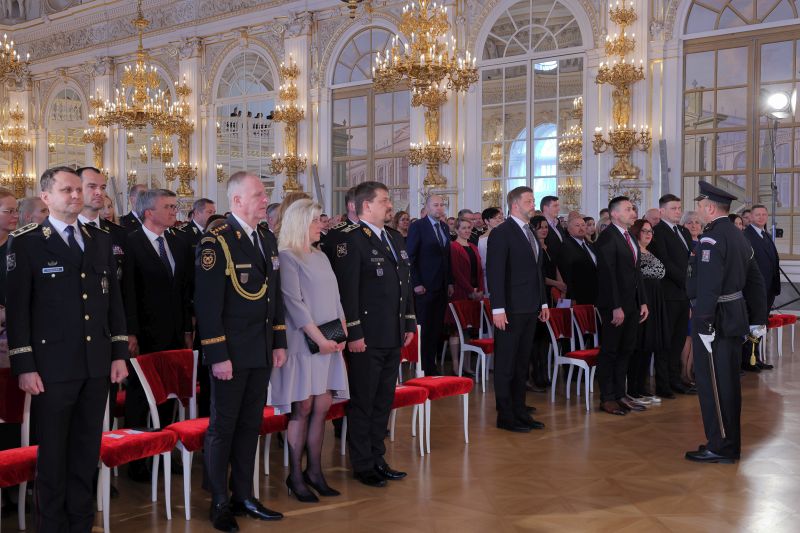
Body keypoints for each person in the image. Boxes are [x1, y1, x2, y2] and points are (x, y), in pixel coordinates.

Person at [7, 166, 129, 532]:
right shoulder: (27, 242)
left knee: (86, 452)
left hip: (95, 364)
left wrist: (119, 353)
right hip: (51, 368)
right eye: (67, 190)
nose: (76, 195)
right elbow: (18, 311)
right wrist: (24, 365)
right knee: (53, 456)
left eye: (79, 189)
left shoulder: (99, 239)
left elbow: (113, 302)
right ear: (46, 197)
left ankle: (81, 523)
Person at [194, 171, 287, 530]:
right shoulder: (216, 241)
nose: (265, 200)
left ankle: (244, 495)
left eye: (265, 195)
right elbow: (207, 306)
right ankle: (219, 500)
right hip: (230, 353)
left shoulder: (265, 237)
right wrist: (218, 356)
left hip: (260, 349)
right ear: (237, 201)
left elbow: (274, 296)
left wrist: (278, 341)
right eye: (259, 195)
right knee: (224, 427)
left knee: (251, 424)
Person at [332, 181, 415, 487]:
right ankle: (363, 463)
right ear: (366, 206)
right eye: (384, 200)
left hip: (392, 332)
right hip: (366, 335)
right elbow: (347, 291)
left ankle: (378, 457)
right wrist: (354, 333)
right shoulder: (351, 239)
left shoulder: (394, 237)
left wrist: (408, 322)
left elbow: (405, 284)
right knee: (364, 401)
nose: (390, 205)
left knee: (383, 400)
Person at [270, 199, 349, 502]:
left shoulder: (321, 255)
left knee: (322, 405)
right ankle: (295, 475)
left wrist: (342, 334)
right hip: (303, 342)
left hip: (329, 340)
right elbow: (295, 304)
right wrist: (320, 340)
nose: (321, 224)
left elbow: (337, 298)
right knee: (302, 407)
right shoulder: (287, 256)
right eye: (316, 220)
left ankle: (315, 471)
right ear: (300, 223)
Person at [685, 181, 767, 464]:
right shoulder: (738, 235)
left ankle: (721, 446)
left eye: (700, 205)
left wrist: (705, 323)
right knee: (728, 383)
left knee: (714, 386)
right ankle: (727, 442)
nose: (698, 210)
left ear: (710, 208)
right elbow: (756, 280)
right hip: (734, 316)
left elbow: (709, 285)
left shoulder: (712, 238)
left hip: (716, 320)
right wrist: (758, 318)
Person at [123, 189, 194, 474]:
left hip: (174, 332)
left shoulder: (178, 241)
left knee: (167, 393)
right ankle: (137, 459)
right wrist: (130, 332)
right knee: (141, 396)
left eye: (175, 206)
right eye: (168, 207)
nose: (174, 211)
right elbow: (127, 291)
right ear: (149, 212)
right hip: (144, 333)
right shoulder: (130, 242)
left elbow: (184, 290)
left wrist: (187, 328)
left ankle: (162, 451)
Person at [487, 186, 549, 433]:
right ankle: (505, 415)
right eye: (529, 201)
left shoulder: (530, 230)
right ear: (515, 205)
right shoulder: (501, 232)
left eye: (533, 200)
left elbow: (537, 271)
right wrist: (497, 309)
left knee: (522, 363)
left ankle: (520, 410)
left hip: (530, 306)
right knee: (506, 363)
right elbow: (495, 273)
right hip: (510, 309)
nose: (533, 204)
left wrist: (543, 302)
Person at [595, 196, 649, 416]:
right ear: (615, 214)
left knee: (626, 350)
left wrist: (642, 300)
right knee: (610, 351)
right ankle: (607, 398)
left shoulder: (629, 236)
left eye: (633, 209)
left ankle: (620, 394)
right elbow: (607, 276)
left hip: (632, 304)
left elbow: (637, 272)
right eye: (628, 209)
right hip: (615, 306)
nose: (633, 212)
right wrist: (615, 306)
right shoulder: (607, 237)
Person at [650, 193, 695, 398]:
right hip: (668, 294)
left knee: (678, 340)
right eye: (673, 208)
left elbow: (689, 260)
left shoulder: (683, 231)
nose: (678, 211)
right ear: (662, 211)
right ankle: (663, 384)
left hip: (684, 295)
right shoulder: (658, 232)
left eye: (679, 208)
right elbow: (665, 262)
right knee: (665, 342)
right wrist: (686, 282)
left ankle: (676, 380)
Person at [406, 194, 453, 376]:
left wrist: (450, 282)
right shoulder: (418, 226)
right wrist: (416, 283)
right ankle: (423, 369)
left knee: (436, 329)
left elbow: (446, 257)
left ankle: (431, 366)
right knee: (425, 329)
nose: (439, 208)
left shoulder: (444, 227)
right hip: (424, 287)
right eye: (435, 205)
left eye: (442, 204)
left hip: (441, 286)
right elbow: (410, 257)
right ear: (427, 207)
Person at [627, 219, 668, 405]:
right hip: (641, 302)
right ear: (636, 232)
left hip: (655, 301)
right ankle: (633, 390)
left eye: (650, 231)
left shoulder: (649, 251)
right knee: (639, 346)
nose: (648, 234)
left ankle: (642, 388)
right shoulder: (633, 252)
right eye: (644, 231)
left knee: (649, 345)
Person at [742, 204, 780, 372]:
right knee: (753, 324)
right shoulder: (746, 236)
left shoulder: (766, 235)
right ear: (751, 217)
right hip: (754, 289)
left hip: (768, 289)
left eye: (764, 214)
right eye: (758, 214)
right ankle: (748, 360)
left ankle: (755, 357)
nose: (761, 217)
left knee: (761, 325)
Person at [76, 167, 127, 283]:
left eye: (103, 188)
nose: (99, 192)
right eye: (92, 186)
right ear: (77, 189)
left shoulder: (119, 233)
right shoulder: (67, 231)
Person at [447, 217, 483, 376]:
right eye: (463, 228)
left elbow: (480, 271)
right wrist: (470, 290)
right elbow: (456, 272)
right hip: (460, 293)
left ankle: (466, 366)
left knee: (467, 331)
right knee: (456, 330)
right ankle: (456, 366)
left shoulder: (473, 247)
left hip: (474, 294)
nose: (467, 230)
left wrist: (480, 289)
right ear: (456, 230)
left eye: (469, 228)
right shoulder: (453, 247)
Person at [556, 215, 598, 305]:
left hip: (594, 293)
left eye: (583, 225)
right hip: (578, 296)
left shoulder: (589, 244)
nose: (581, 228)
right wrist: (571, 297)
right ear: (569, 229)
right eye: (577, 225)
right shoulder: (566, 246)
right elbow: (566, 273)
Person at [0, 188, 18, 369]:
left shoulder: (21, 245)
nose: (16, 216)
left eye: (16, 210)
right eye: (9, 211)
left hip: (14, 327)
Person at [531, 215, 567, 304]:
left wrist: (562, 286)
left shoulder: (550, 246)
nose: (544, 230)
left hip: (555, 290)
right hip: (541, 291)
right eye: (540, 228)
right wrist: (556, 284)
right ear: (533, 229)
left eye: (546, 227)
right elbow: (538, 274)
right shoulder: (532, 249)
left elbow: (555, 267)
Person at [477, 207, 504, 297]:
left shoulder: (505, 236)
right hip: (490, 277)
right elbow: (483, 263)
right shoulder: (483, 239)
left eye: (500, 218)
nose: (498, 220)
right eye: (494, 218)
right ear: (486, 221)